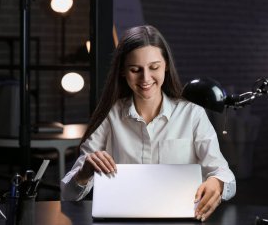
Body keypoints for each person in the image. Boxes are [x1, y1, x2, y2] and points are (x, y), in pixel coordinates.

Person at [61, 25, 236, 222]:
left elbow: (224, 173)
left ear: (166, 66)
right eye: (135, 69)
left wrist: (217, 182)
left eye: (154, 67)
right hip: (123, 221)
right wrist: (85, 172)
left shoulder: (192, 113)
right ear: (122, 72)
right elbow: (68, 194)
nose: (145, 78)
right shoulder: (111, 115)